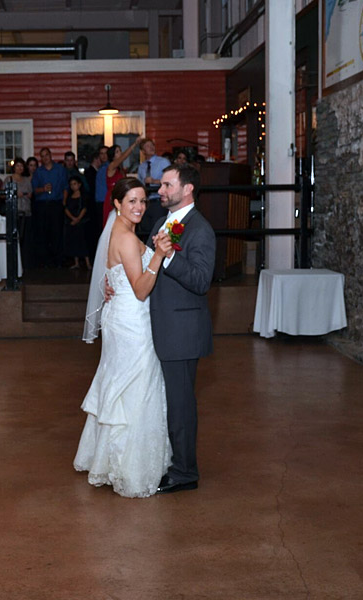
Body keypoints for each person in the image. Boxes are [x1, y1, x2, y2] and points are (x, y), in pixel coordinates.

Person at [74, 177, 172, 498]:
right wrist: (156, 254)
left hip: (122, 317)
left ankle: (106, 459)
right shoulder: (126, 238)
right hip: (132, 323)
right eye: (131, 201)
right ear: (117, 203)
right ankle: (131, 468)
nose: (139, 207)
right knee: (137, 386)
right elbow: (142, 289)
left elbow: (113, 273)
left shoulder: (121, 232)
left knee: (120, 383)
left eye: (143, 201)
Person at [147, 164, 216, 494]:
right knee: (169, 404)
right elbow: (150, 269)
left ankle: (186, 473)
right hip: (163, 325)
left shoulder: (200, 230)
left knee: (181, 406)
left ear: (187, 189)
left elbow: (202, 281)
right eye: (161, 185)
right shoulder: (162, 223)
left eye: (167, 185)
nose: (161, 191)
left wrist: (169, 258)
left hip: (183, 331)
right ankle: (174, 464)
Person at [31, 147, 69, 267]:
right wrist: (43, 189)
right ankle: (45, 261)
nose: (45, 158)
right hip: (42, 205)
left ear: (50, 155)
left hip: (56, 204)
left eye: (46, 155)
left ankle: (58, 261)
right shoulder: (38, 172)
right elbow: (34, 190)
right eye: (42, 156)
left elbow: (65, 187)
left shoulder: (60, 170)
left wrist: (63, 202)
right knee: (43, 233)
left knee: (57, 232)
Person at [102, 138, 144, 224]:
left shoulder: (121, 170)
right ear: (112, 155)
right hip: (112, 197)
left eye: (120, 150)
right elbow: (123, 157)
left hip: (122, 196)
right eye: (117, 151)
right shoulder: (111, 166)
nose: (120, 153)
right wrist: (134, 144)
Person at [136, 138, 171, 236]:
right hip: (146, 202)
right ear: (143, 151)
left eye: (152, 145)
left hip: (159, 201)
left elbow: (170, 180)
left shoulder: (163, 162)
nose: (151, 148)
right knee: (145, 230)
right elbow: (139, 183)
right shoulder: (141, 166)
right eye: (147, 146)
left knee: (157, 231)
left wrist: (154, 181)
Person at [3, 157, 33, 269]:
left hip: (26, 211)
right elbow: (3, 194)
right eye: (17, 166)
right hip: (14, 212)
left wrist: (29, 195)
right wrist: (15, 194)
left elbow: (31, 192)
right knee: (14, 238)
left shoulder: (26, 180)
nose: (20, 168)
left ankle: (25, 263)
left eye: (21, 166)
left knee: (25, 239)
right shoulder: (9, 179)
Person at [64, 176, 91, 270]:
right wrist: (72, 218)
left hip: (82, 222)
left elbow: (84, 208)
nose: (73, 186)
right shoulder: (69, 196)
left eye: (74, 184)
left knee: (83, 242)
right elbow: (66, 208)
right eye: (71, 184)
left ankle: (87, 263)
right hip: (71, 221)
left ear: (79, 184)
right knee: (74, 242)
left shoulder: (84, 195)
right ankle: (76, 262)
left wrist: (78, 219)